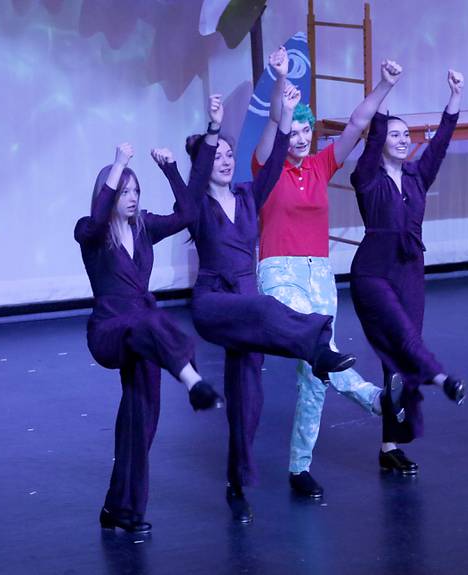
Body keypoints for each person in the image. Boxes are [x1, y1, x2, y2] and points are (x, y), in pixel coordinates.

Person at [181, 89, 361, 522]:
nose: (225, 160)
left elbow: (280, 148)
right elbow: (198, 171)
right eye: (217, 155)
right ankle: (317, 346)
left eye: (229, 154)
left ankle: (237, 482)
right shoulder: (195, 205)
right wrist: (212, 127)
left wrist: (281, 92)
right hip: (215, 302)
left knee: (248, 401)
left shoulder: (247, 195)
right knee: (266, 310)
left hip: (246, 295)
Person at [253, 48, 403, 498]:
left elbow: (357, 124)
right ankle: (375, 400)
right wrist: (280, 84)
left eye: (304, 130)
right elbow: (270, 133)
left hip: (321, 274)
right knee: (319, 346)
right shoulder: (267, 168)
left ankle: (300, 468)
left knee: (315, 374)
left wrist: (385, 84)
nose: (298, 138)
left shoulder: (320, 165)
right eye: (292, 131)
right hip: (279, 273)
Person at [75, 143, 223, 533]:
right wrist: (120, 162)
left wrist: (171, 169)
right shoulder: (89, 233)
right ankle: (192, 380)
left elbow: (189, 213)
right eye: (124, 191)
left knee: (141, 420)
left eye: (135, 191)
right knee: (151, 320)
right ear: (108, 194)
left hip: (147, 337)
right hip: (110, 333)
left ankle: (122, 510)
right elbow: (96, 215)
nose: (132, 198)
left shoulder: (145, 228)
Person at [348, 65, 467, 475]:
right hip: (373, 272)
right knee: (399, 340)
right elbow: (372, 136)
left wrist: (454, 99)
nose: (402, 140)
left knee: (400, 356)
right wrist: (387, 88)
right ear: (382, 142)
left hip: (411, 270)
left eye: (406, 135)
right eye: (394, 135)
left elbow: (440, 145)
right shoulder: (366, 177)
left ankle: (389, 445)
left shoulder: (417, 176)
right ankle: (439, 379)